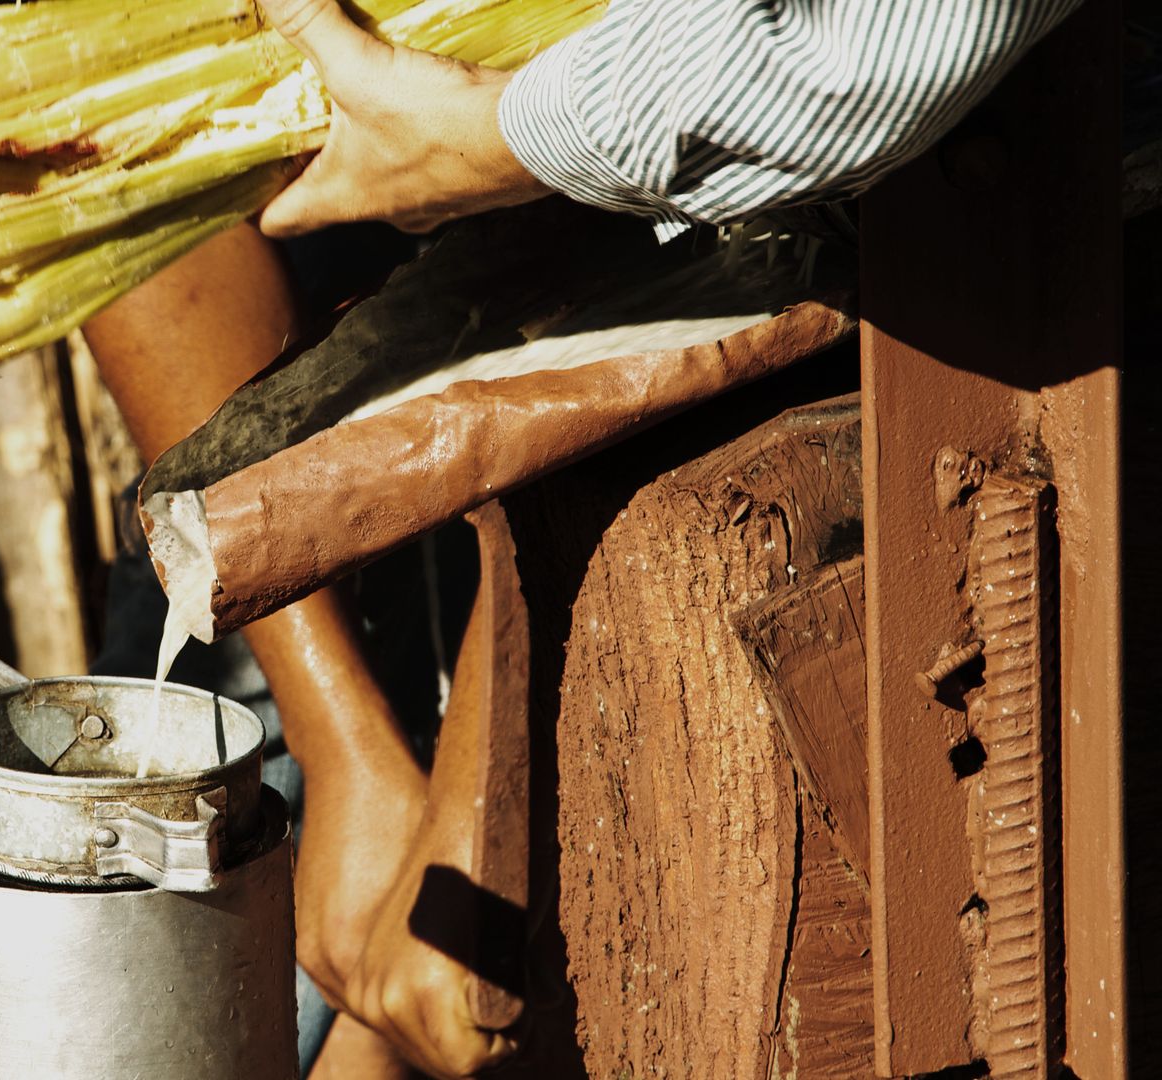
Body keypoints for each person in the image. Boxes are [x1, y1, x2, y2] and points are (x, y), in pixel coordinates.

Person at [80, 1, 1087, 1076]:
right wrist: (344, 754)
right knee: (190, 970)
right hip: (310, 316)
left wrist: (487, 779)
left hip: (674, 244)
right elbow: (92, 154)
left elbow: (762, 105)